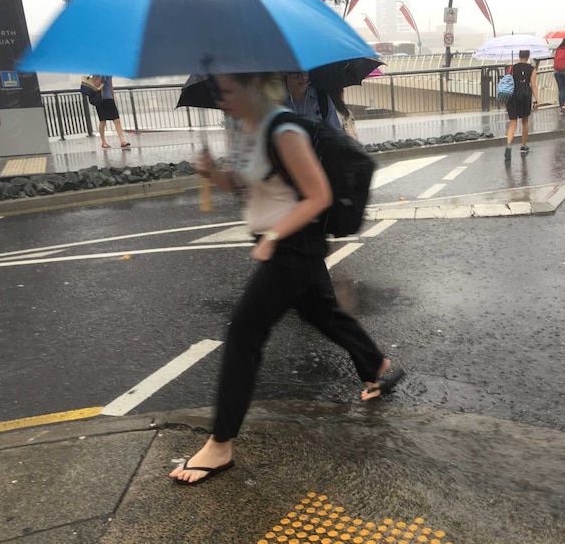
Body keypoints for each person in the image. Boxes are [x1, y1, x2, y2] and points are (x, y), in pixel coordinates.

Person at [170, 72, 403, 486]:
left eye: (228, 91)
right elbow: (245, 186)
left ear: (253, 87)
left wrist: (273, 237)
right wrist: (211, 173)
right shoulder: (248, 131)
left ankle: (220, 444)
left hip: (292, 246)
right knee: (323, 314)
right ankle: (375, 363)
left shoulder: (283, 128)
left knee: (243, 334)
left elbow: (318, 196)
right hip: (283, 244)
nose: (222, 100)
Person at [504, 50, 539, 161]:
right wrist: (537, 100)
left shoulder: (511, 68)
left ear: (519, 56)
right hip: (524, 96)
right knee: (525, 121)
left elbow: (507, 81)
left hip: (512, 96)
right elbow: (533, 85)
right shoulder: (532, 69)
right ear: (528, 56)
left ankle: (508, 144)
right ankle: (523, 145)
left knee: (513, 123)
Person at [95, 75, 131, 149]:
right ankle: (103, 141)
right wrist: (101, 76)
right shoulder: (96, 72)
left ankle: (122, 141)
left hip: (109, 98)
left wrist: (113, 97)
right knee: (103, 121)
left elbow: (110, 86)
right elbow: (96, 85)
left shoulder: (109, 73)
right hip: (100, 99)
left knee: (117, 120)